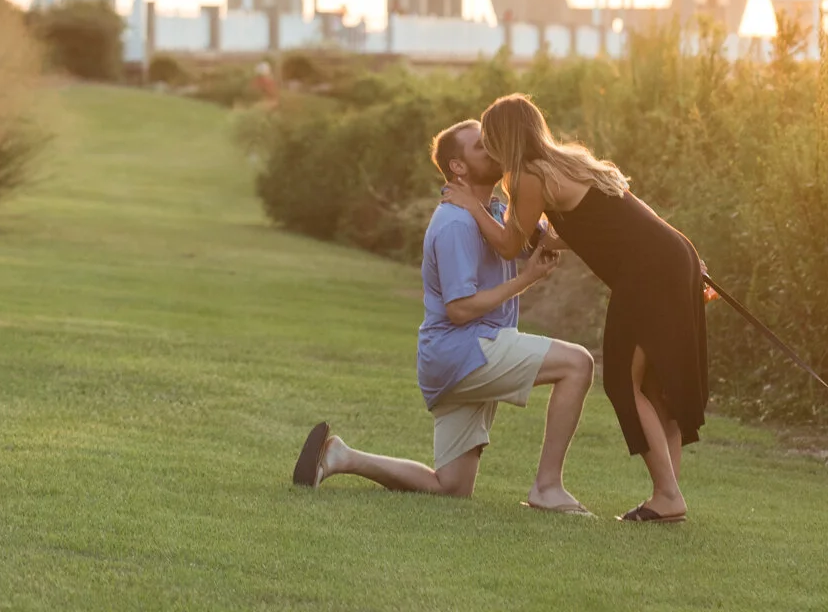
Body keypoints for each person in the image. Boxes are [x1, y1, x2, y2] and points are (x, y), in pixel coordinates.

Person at [292, 117, 594, 510]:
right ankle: (547, 488)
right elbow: (459, 309)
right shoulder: (454, 222)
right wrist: (526, 280)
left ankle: (340, 456)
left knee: (451, 488)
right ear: (458, 167)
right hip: (464, 349)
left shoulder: (497, 210)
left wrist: (594, 208)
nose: (494, 150)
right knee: (578, 364)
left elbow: (554, 237)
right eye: (481, 148)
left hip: (455, 359)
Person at [442, 94, 707, 524]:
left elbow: (511, 244)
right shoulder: (566, 160)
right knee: (655, 381)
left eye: (491, 138)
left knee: (626, 380)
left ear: (505, 136)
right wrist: (685, 262)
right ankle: (666, 497)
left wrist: (472, 206)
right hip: (672, 255)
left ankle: (667, 497)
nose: (488, 148)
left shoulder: (530, 175)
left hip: (651, 270)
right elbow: (604, 223)